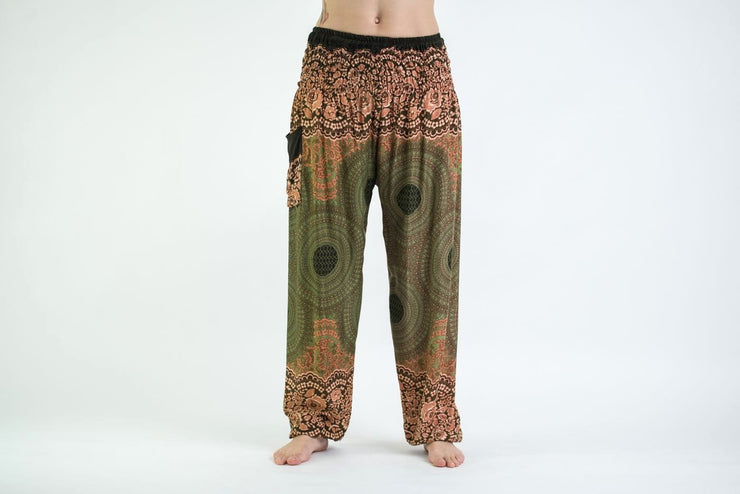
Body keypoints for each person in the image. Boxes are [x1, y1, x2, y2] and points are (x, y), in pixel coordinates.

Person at [273, 0, 466, 468]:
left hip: (421, 77)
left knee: (427, 260)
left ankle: (434, 419)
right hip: (332, 74)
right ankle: (312, 419)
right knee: (323, 259)